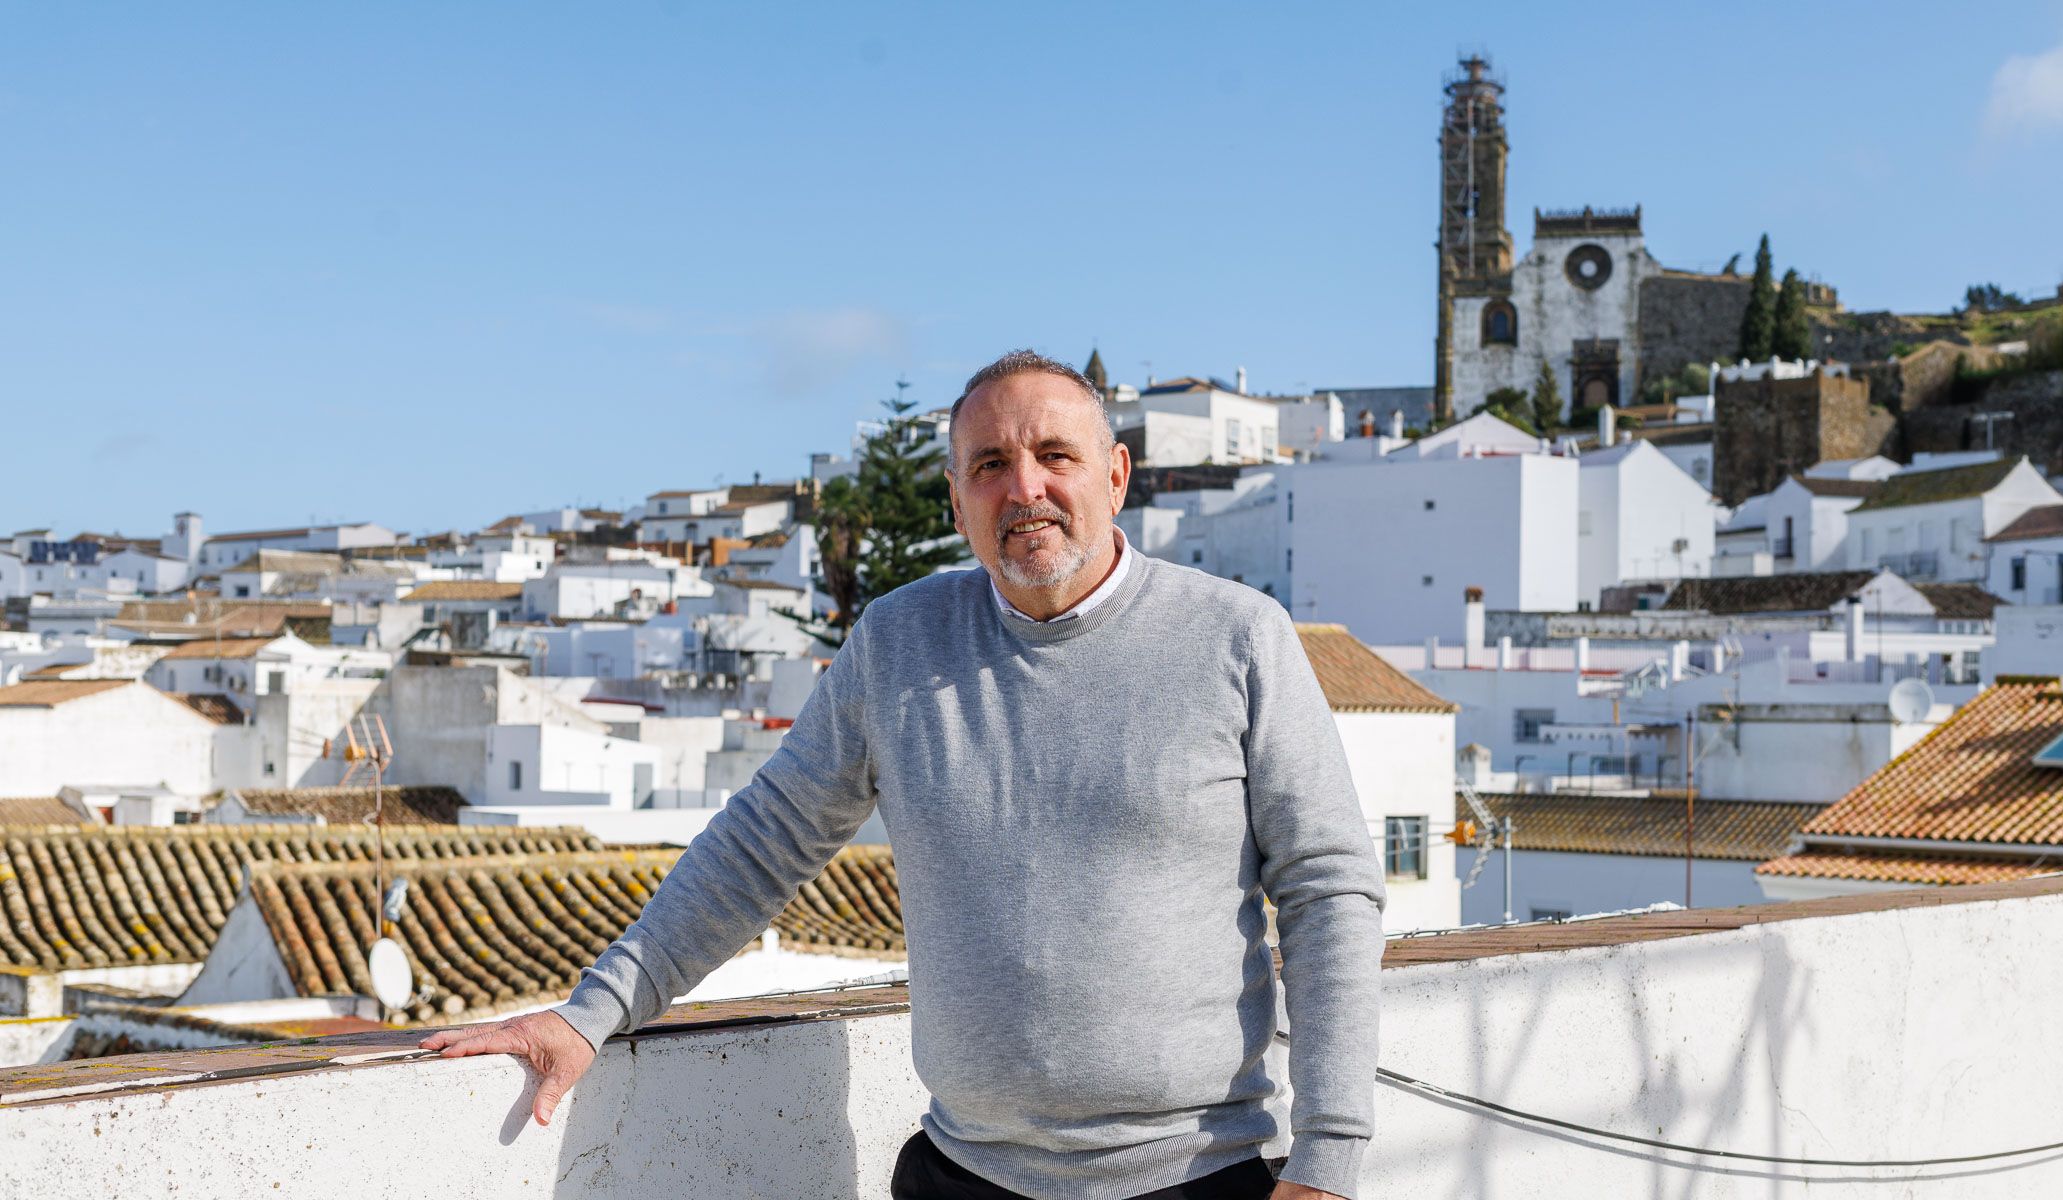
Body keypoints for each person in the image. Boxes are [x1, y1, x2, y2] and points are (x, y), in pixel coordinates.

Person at [423, 350, 1385, 1200]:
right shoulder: (897, 643)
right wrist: (589, 1016)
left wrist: (1328, 1159)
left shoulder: (1238, 637)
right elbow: (761, 845)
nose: (1026, 489)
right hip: (961, 1179)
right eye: (990, 466)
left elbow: (1328, 890)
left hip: (1193, 1183)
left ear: (1117, 474)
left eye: (1056, 456)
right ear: (956, 498)